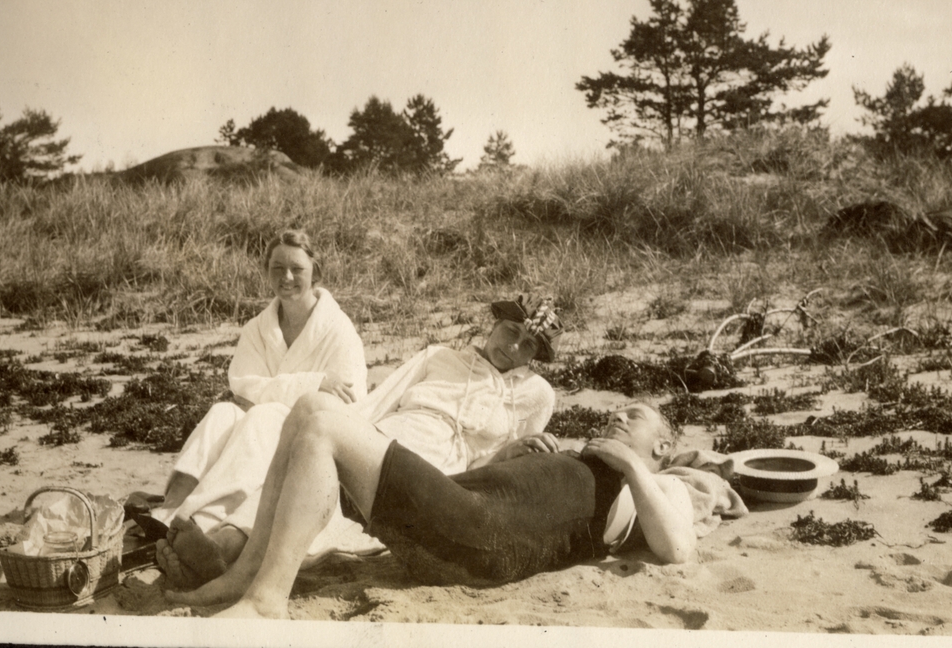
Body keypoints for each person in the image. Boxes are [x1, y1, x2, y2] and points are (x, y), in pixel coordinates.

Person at [154, 294, 563, 588]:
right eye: (511, 331)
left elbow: (499, 489)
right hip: (379, 433)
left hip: (439, 469)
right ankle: (196, 523)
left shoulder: (536, 395)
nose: (513, 346)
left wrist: (504, 454)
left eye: (528, 344)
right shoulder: (440, 357)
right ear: (493, 324)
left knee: (327, 485)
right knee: (264, 418)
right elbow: (377, 404)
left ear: (536, 356)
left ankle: (223, 550)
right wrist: (326, 428)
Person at [165, 402, 699, 617]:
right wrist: (502, 458)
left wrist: (630, 465)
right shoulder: (590, 461)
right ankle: (246, 576)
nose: (616, 417)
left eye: (633, 416)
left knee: (321, 416)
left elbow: (678, 549)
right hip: (467, 521)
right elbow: (467, 489)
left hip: (483, 539)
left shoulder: (659, 483)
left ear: (663, 447)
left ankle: (264, 599)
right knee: (305, 416)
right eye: (618, 411)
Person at [141, 229, 368, 586]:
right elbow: (242, 388)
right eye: (277, 268)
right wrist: (313, 383)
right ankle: (170, 511)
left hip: (312, 443)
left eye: (297, 268)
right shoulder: (257, 329)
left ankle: (201, 522)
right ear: (266, 271)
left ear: (316, 272)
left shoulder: (339, 332)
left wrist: (283, 395)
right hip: (261, 424)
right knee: (223, 413)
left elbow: (344, 409)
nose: (287, 278)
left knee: (262, 415)